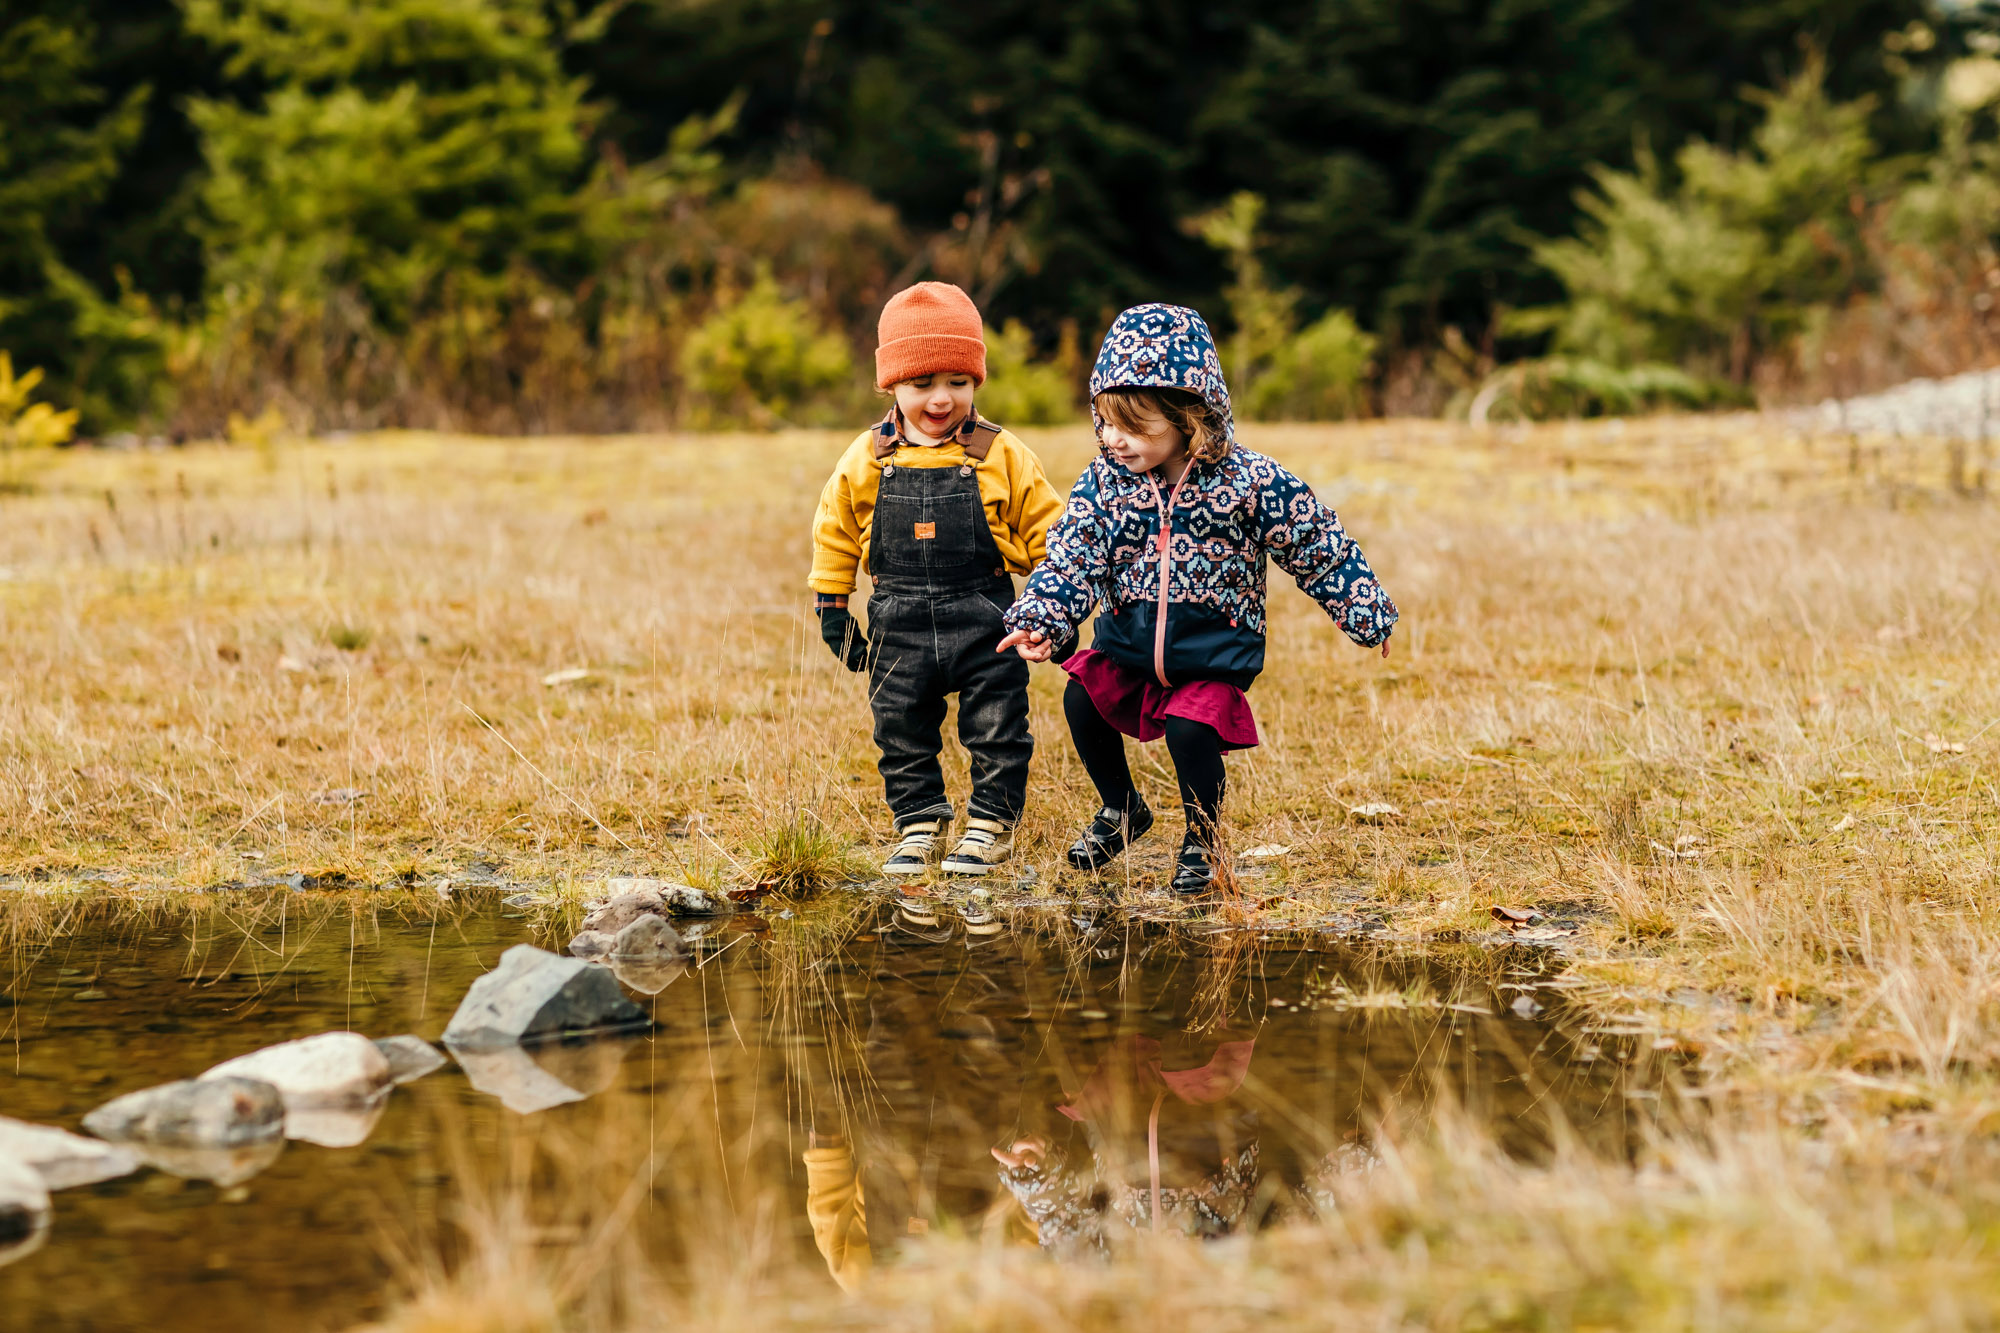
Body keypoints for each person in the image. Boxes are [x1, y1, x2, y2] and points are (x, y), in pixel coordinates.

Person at [997, 303, 1398, 895]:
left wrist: (1364, 610)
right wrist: (1044, 617)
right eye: (1105, 422)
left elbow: (1317, 543)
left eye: (1133, 427)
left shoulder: (1249, 481)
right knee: (1082, 698)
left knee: (1189, 728)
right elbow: (1072, 556)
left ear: (1190, 415)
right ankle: (1121, 809)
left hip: (1212, 651)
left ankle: (1202, 841)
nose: (1114, 439)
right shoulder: (1106, 484)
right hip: (1128, 642)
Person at [809, 282, 1063, 876]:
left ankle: (990, 823)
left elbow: (1053, 534)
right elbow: (836, 529)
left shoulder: (1002, 454)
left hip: (986, 621)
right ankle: (919, 819)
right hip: (897, 623)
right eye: (923, 385)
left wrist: (1058, 607)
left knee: (998, 723)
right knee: (898, 725)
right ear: (891, 385)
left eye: (959, 382)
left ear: (976, 380)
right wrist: (831, 602)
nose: (942, 399)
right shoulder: (866, 458)